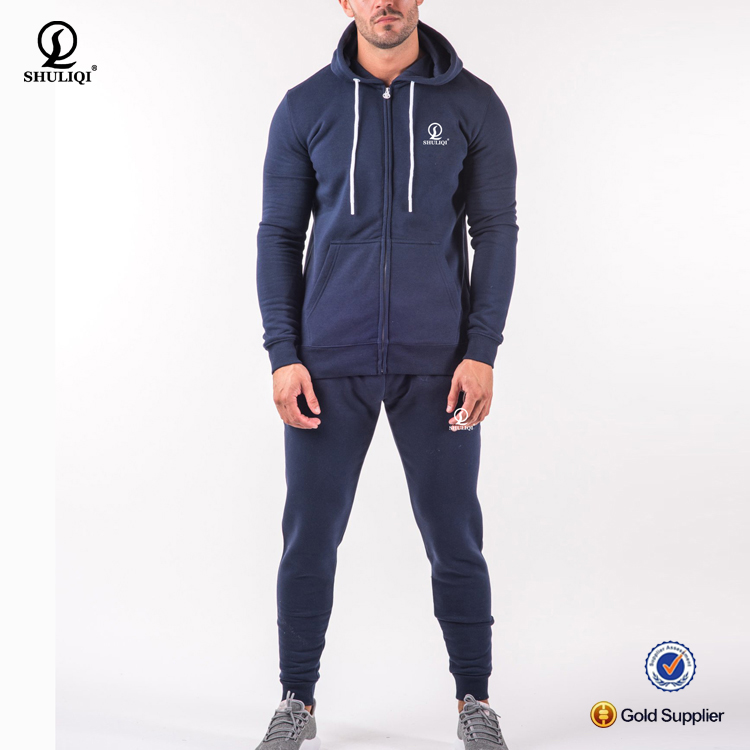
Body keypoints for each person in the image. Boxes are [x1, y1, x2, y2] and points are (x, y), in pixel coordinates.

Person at [255, 1, 518, 747]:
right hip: (325, 364)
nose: (385, 2)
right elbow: (279, 234)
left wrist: (481, 351)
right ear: (345, 1)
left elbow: (495, 230)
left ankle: (475, 702)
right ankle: (296, 701)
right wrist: (283, 354)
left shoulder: (474, 105)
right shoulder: (305, 107)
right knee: (309, 539)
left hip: (439, 367)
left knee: (455, 538)